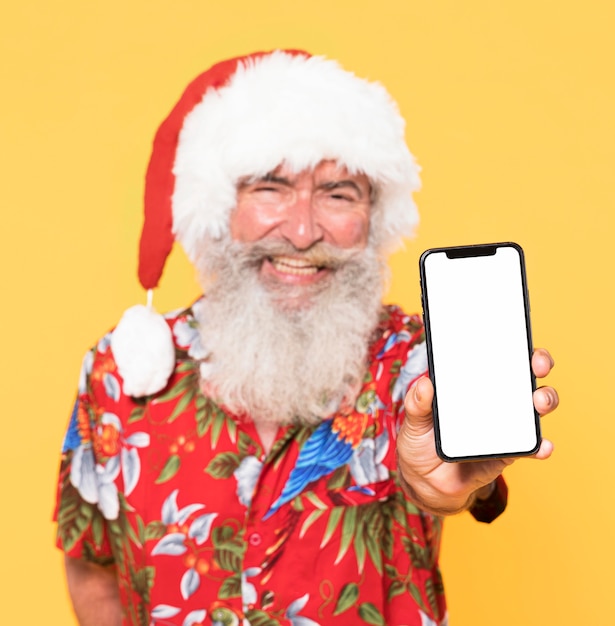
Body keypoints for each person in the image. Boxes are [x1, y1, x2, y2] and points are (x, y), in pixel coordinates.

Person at [54, 50, 558, 626]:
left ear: (373, 217)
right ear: (220, 205)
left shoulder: (420, 362)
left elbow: (453, 479)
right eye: (270, 187)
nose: (301, 231)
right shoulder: (121, 373)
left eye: (338, 194)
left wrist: (446, 486)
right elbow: (93, 562)